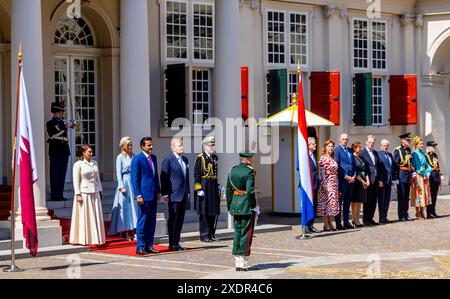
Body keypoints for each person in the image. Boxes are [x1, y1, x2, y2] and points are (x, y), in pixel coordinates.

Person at [226, 150, 259, 271]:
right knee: (246, 233)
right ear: (246, 159)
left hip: (235, 204)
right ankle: (243, 260)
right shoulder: (250, 171)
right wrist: (254, 205)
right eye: (251, 158)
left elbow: (229, 191)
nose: (252, 160)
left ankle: (237, 260)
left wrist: (230, 206)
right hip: (246, 205)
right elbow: (250, 191)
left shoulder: (232, 170)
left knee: (238, 232)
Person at [70, 145, 106, 245]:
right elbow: (76, 180)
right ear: (83, 153)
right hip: (84, 192)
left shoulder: (95, 163)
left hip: (95, 192)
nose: (91, 153)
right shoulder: (78, 164)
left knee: (95, 215)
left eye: (91, 151)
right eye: (89, 152)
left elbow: (97, 179)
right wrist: (78, 194)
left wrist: (100, 191)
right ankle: (84, 239)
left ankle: (96, 238)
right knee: (84, 216)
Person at [131, 137, 161, 255]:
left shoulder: (153, 158)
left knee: (152, 221)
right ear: (142, 146)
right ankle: (140, 246)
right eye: (149, 145)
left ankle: (149, 245)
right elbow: (135, 179)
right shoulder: (137, 159)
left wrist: (158, 191)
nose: (151, 147)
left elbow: (155, 176)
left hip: (153, 194)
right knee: (142, 221)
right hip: (143, 195)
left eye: (151, 145)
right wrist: (138, 194)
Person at [160, 138, 190, 251]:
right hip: (173, 194)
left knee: (180, 219)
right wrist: (165, 194)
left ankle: (177, 241)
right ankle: (171, 243)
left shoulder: (185, 160)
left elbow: (186, 178)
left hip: (183, 194)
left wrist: (188, 191)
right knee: (173, 219)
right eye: (179, 145)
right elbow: (164, 177)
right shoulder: (168, 160)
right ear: (173, 147)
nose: (181, 147)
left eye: (182, 145)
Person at [109, 137, 138, 240]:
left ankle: (133, 230)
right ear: (124, 146)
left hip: (133, 182)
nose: (130, 147)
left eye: (131, 144)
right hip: (125, 182)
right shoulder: (120, 157)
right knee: (125, 208)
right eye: (128, 145)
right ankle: (125, 232)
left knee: (133, 208)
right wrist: (121, 186)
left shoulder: (133, 156)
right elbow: (118, 173)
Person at [194, 136, 221, 242]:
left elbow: (215, 173)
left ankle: (211, 234)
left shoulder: (214, 158)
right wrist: (198, 188)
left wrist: (218, 185)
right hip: (204, 185)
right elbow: (196, 175)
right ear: (205, 146)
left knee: (213, 210)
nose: (212, 147)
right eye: (210, 145)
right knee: (204, 211)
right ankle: (204, 234)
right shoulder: (200, 158)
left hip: (213, 185)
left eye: (213, 145)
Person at [46, 102, 71, 201]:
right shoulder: (50, 123)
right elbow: (54, 132)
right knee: (55, 173)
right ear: (54, 113)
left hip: (64, 149)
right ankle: (55, 194)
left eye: (61, 112)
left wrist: (71, 124)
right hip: (55, 149)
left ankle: (60, 194)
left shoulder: (63, 123)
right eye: (59, 112)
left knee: (62, 173)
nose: (61, 114)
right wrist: (65, 126)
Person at [334, 133, 356, 230]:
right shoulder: (337, 151)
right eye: (343, 139)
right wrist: (346, 176)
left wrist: (354, 175)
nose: (345, 141)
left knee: (347, 202)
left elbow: (354, 164)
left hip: (351, 180)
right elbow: (337, 166)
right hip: (342, 180)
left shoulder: (350, 150)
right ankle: (338, 223)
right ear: (340, 140)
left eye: (346, 139)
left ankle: (346, 221)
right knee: (339, 202)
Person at [318, 140, 340, 231]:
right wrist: (324, 185)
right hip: (327, 183)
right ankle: (326, 223)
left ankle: (330, 222)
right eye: (329, 146)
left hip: (334, 183)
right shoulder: (323, 158)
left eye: (332, 146)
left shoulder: (333, 158)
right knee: (326, 204)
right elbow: (322, 173)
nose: (331, 148)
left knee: (331, 204)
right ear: (325, 147)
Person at [410, 136, 432, 220]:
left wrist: (428, 173)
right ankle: (418, 212)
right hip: (418, 176)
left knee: (425, 193)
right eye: (420, 144)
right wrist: (422, 173)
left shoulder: (423, 154)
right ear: (416, 144)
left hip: (425, 176)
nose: (422, 145)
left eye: (422, 144)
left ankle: (423, 211)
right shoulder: (414, 154)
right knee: (418, 193)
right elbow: (415, 166)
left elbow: (427, 165)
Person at [361, 135, 380, 226]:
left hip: (375, 180)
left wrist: (379, 179)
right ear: (366, 142)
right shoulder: (362, 152)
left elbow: (378, 166)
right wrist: (365, 179)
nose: (371, 144)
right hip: (367, 180)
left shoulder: (375, 153)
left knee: (373, 200)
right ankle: (365, 219)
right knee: (367, 201)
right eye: (370, 142)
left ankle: (371, 218)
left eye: (373, 142)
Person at [393, 132, 413, 222]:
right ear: (402, 140)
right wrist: (396, 177)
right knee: (402, 196)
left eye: (409, 140)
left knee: (406, 197)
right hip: (401, 175)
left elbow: (410, 163)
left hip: (408, 175)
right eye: (407, 140)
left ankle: (406, 213)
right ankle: (401, 216)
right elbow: (396, 164)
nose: (408, 141)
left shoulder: (408, 149)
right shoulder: (398, 150)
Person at [351, 141, 369, 228]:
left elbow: (365, 170)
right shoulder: (353, 158)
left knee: (359, 202)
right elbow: (356, 171)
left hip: (363, 182)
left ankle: (357, 218)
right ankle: (354, 219)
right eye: (359, 147)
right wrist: (362, 181)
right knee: (355, 202)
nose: (361, 149)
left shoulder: (360, 158)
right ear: (355, 148)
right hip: (357, 182)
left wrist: (367, 180)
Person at [377, 139, 395, 224]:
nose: (385, 147)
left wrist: (393, 179)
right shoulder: (378, 154)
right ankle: (381, 218)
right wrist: (379, 180)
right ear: (381, 145)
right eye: (384, 145)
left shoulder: (390, 155)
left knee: (387, 200)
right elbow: (378, 169)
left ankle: (385, 216)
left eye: (387, 146)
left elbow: (392, 168)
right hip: (382, 181)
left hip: (389, 180)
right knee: (382, 200)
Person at [306, 137, 320, 234]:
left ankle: (311, 225)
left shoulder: (313, 155)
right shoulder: (305, 156)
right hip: (308, 185)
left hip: (315, 184)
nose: (315, 145)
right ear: (308, 144)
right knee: (309, 206)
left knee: (314, 206)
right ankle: (306, 225)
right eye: (314, 144)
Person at [425, 141, 441, 218]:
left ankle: (433, 211)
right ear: (428, 147)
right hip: (431, 178)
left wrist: (440, 175)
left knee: (434, 196)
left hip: (436, 177)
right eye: (432, 146)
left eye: (434, 146)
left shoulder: (435, 155)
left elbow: (437, 166)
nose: (434, 148)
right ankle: (429, 212)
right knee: (430, 196)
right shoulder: (426, 155)